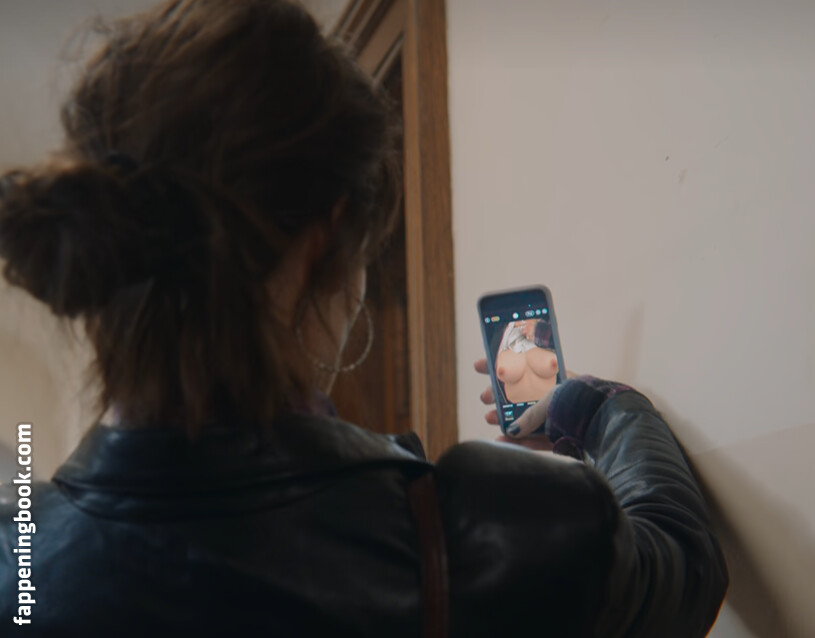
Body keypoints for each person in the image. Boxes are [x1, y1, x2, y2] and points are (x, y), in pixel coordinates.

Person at [0, 0, 727, 636]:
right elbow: (684, 564)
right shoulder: (485, 529)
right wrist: (592, 408)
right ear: (325, 241)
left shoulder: (20, 558)